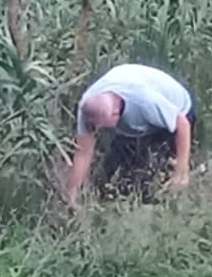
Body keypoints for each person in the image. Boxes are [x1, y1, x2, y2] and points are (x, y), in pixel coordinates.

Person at [66, 63, 196, 205]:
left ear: (115, 115)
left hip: (176, 115)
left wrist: (181, 170)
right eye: (92, 126)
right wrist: (72, 195)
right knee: (108, 181)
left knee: (155, 182)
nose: (96, 130)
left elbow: (182, 124)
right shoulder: (88, 106)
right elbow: (83, 152)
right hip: (135, 123)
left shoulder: (145, 102)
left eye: (100, 126)